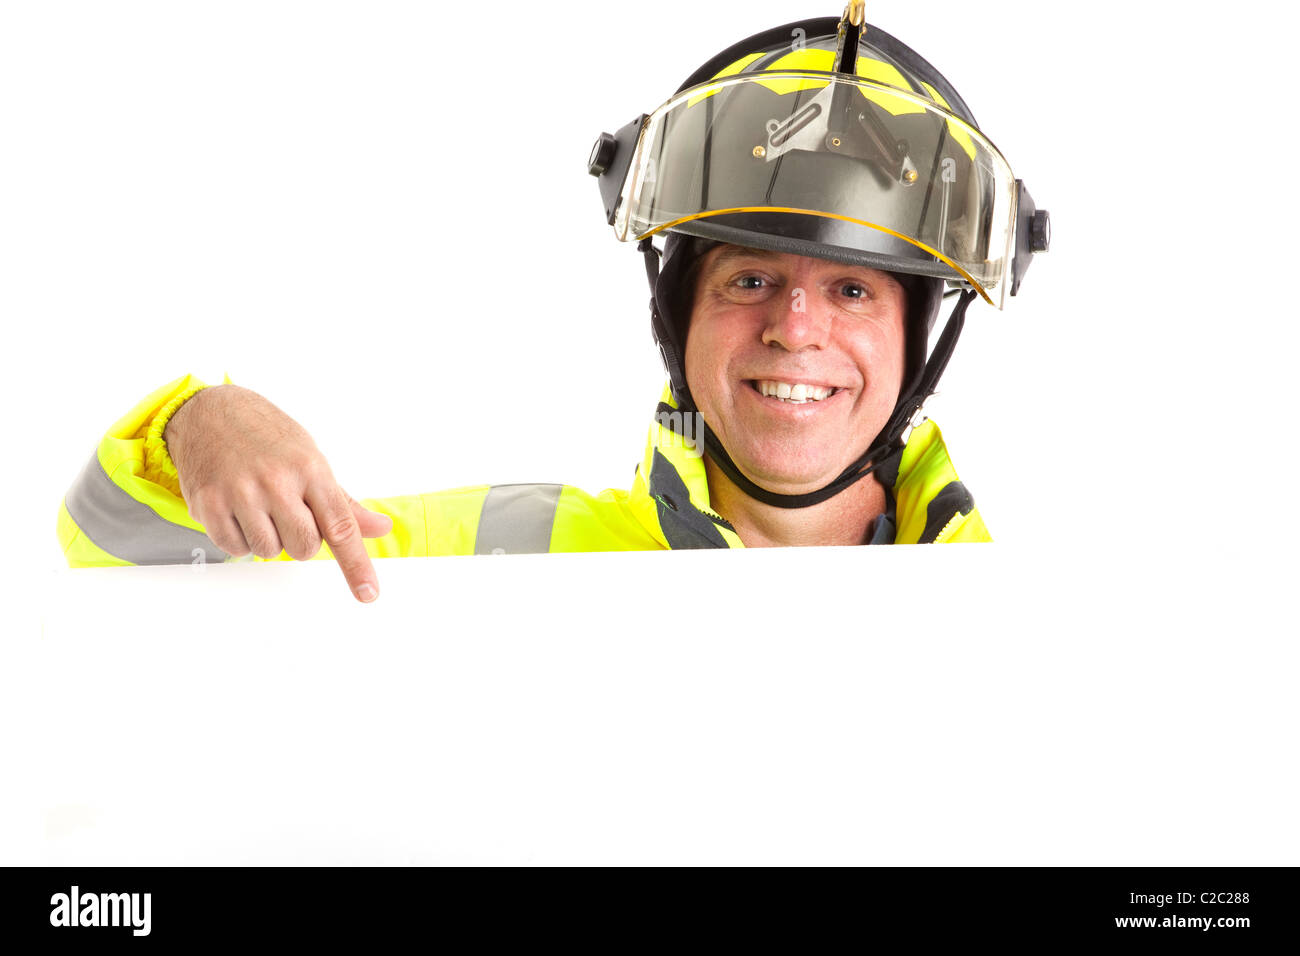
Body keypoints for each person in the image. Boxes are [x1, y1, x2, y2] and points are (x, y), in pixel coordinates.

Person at [56, 5, 1049, 603]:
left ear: (917, 337)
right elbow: (119, 563)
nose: (795, 326)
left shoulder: (1030, 614)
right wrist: (194, 423)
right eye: (749, 278)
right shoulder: (508, 555)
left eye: (851, 288)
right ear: (678, 317)